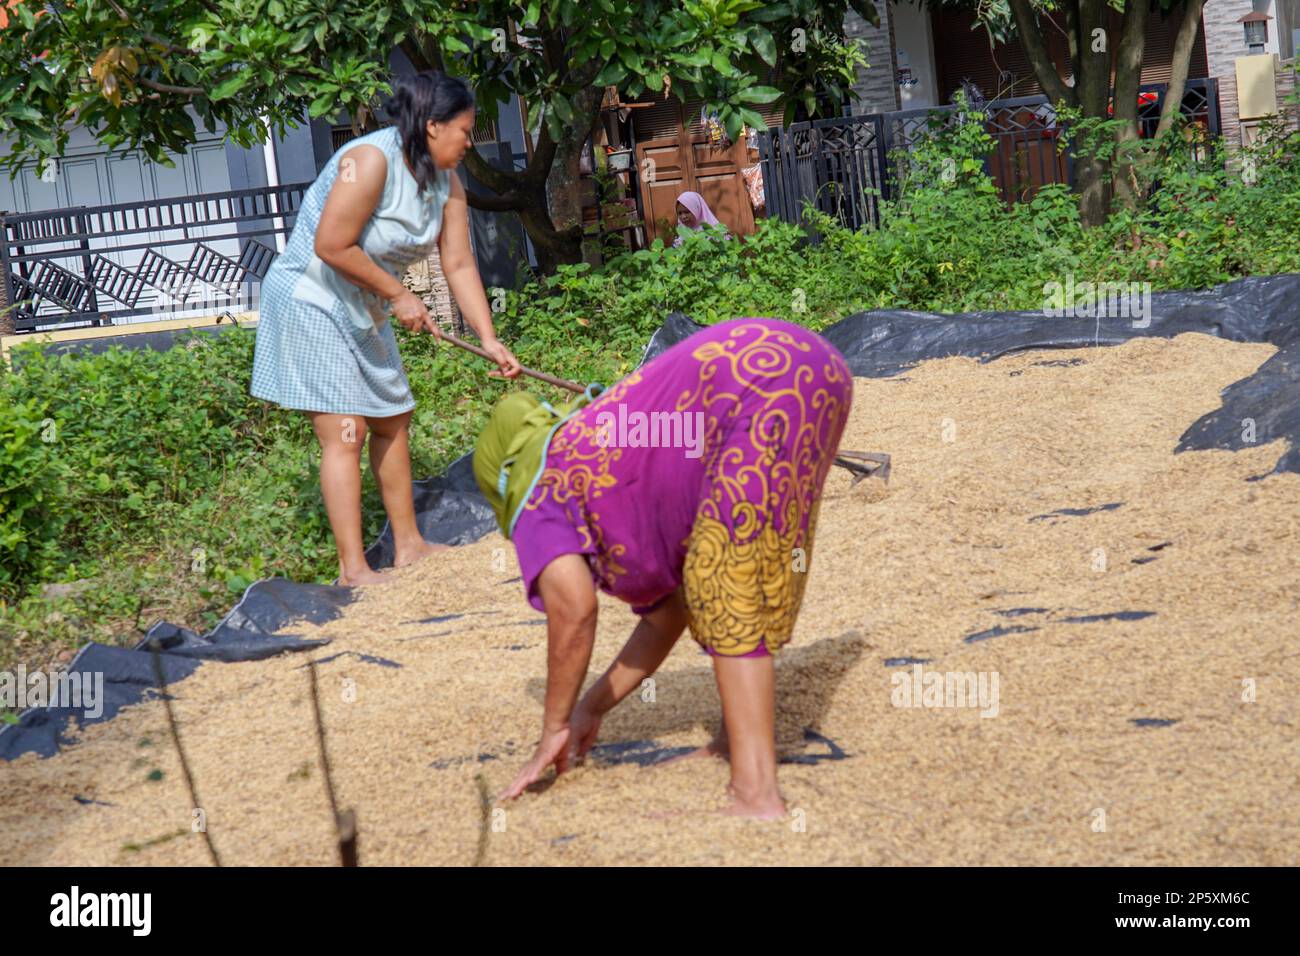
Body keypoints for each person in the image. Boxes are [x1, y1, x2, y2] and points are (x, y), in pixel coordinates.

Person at [473, 317, 853, 818]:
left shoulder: (540, 489)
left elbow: (574, 611)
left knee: (727, 578)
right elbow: (669, 613)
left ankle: (756, 794)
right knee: (752, 565)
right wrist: (591, 709)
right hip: (815, 365)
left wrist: (555, 726)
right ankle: (736, 741)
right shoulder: (592, 446)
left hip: (759, 382)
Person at [251, 72, 522, 586]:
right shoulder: (369, 162)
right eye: (464, 131)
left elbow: (460, 264)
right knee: (345, 430)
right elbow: (331, 245)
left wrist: (489, 339)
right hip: (314, 298)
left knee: (394, 417)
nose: (470, 141)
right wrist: (399, 294)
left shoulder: (448, 184)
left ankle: (410, 546)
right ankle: (353, 568)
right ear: (434, 126)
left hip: (365, 306)